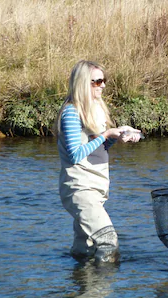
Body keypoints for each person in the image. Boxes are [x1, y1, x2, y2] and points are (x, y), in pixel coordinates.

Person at [55, 60, 141, 263]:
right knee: (108, 241)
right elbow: (76, 155)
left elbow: (98, 150)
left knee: (84, 248)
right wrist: (106, 134)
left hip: (97, 187)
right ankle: (101, 288)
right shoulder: (71, 112)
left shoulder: (97, 109)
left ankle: (82, 286)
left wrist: (117, 136)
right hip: (79, 189)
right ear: (83, 83)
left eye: (104, 80)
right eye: (97, 81)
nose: (103, 85)